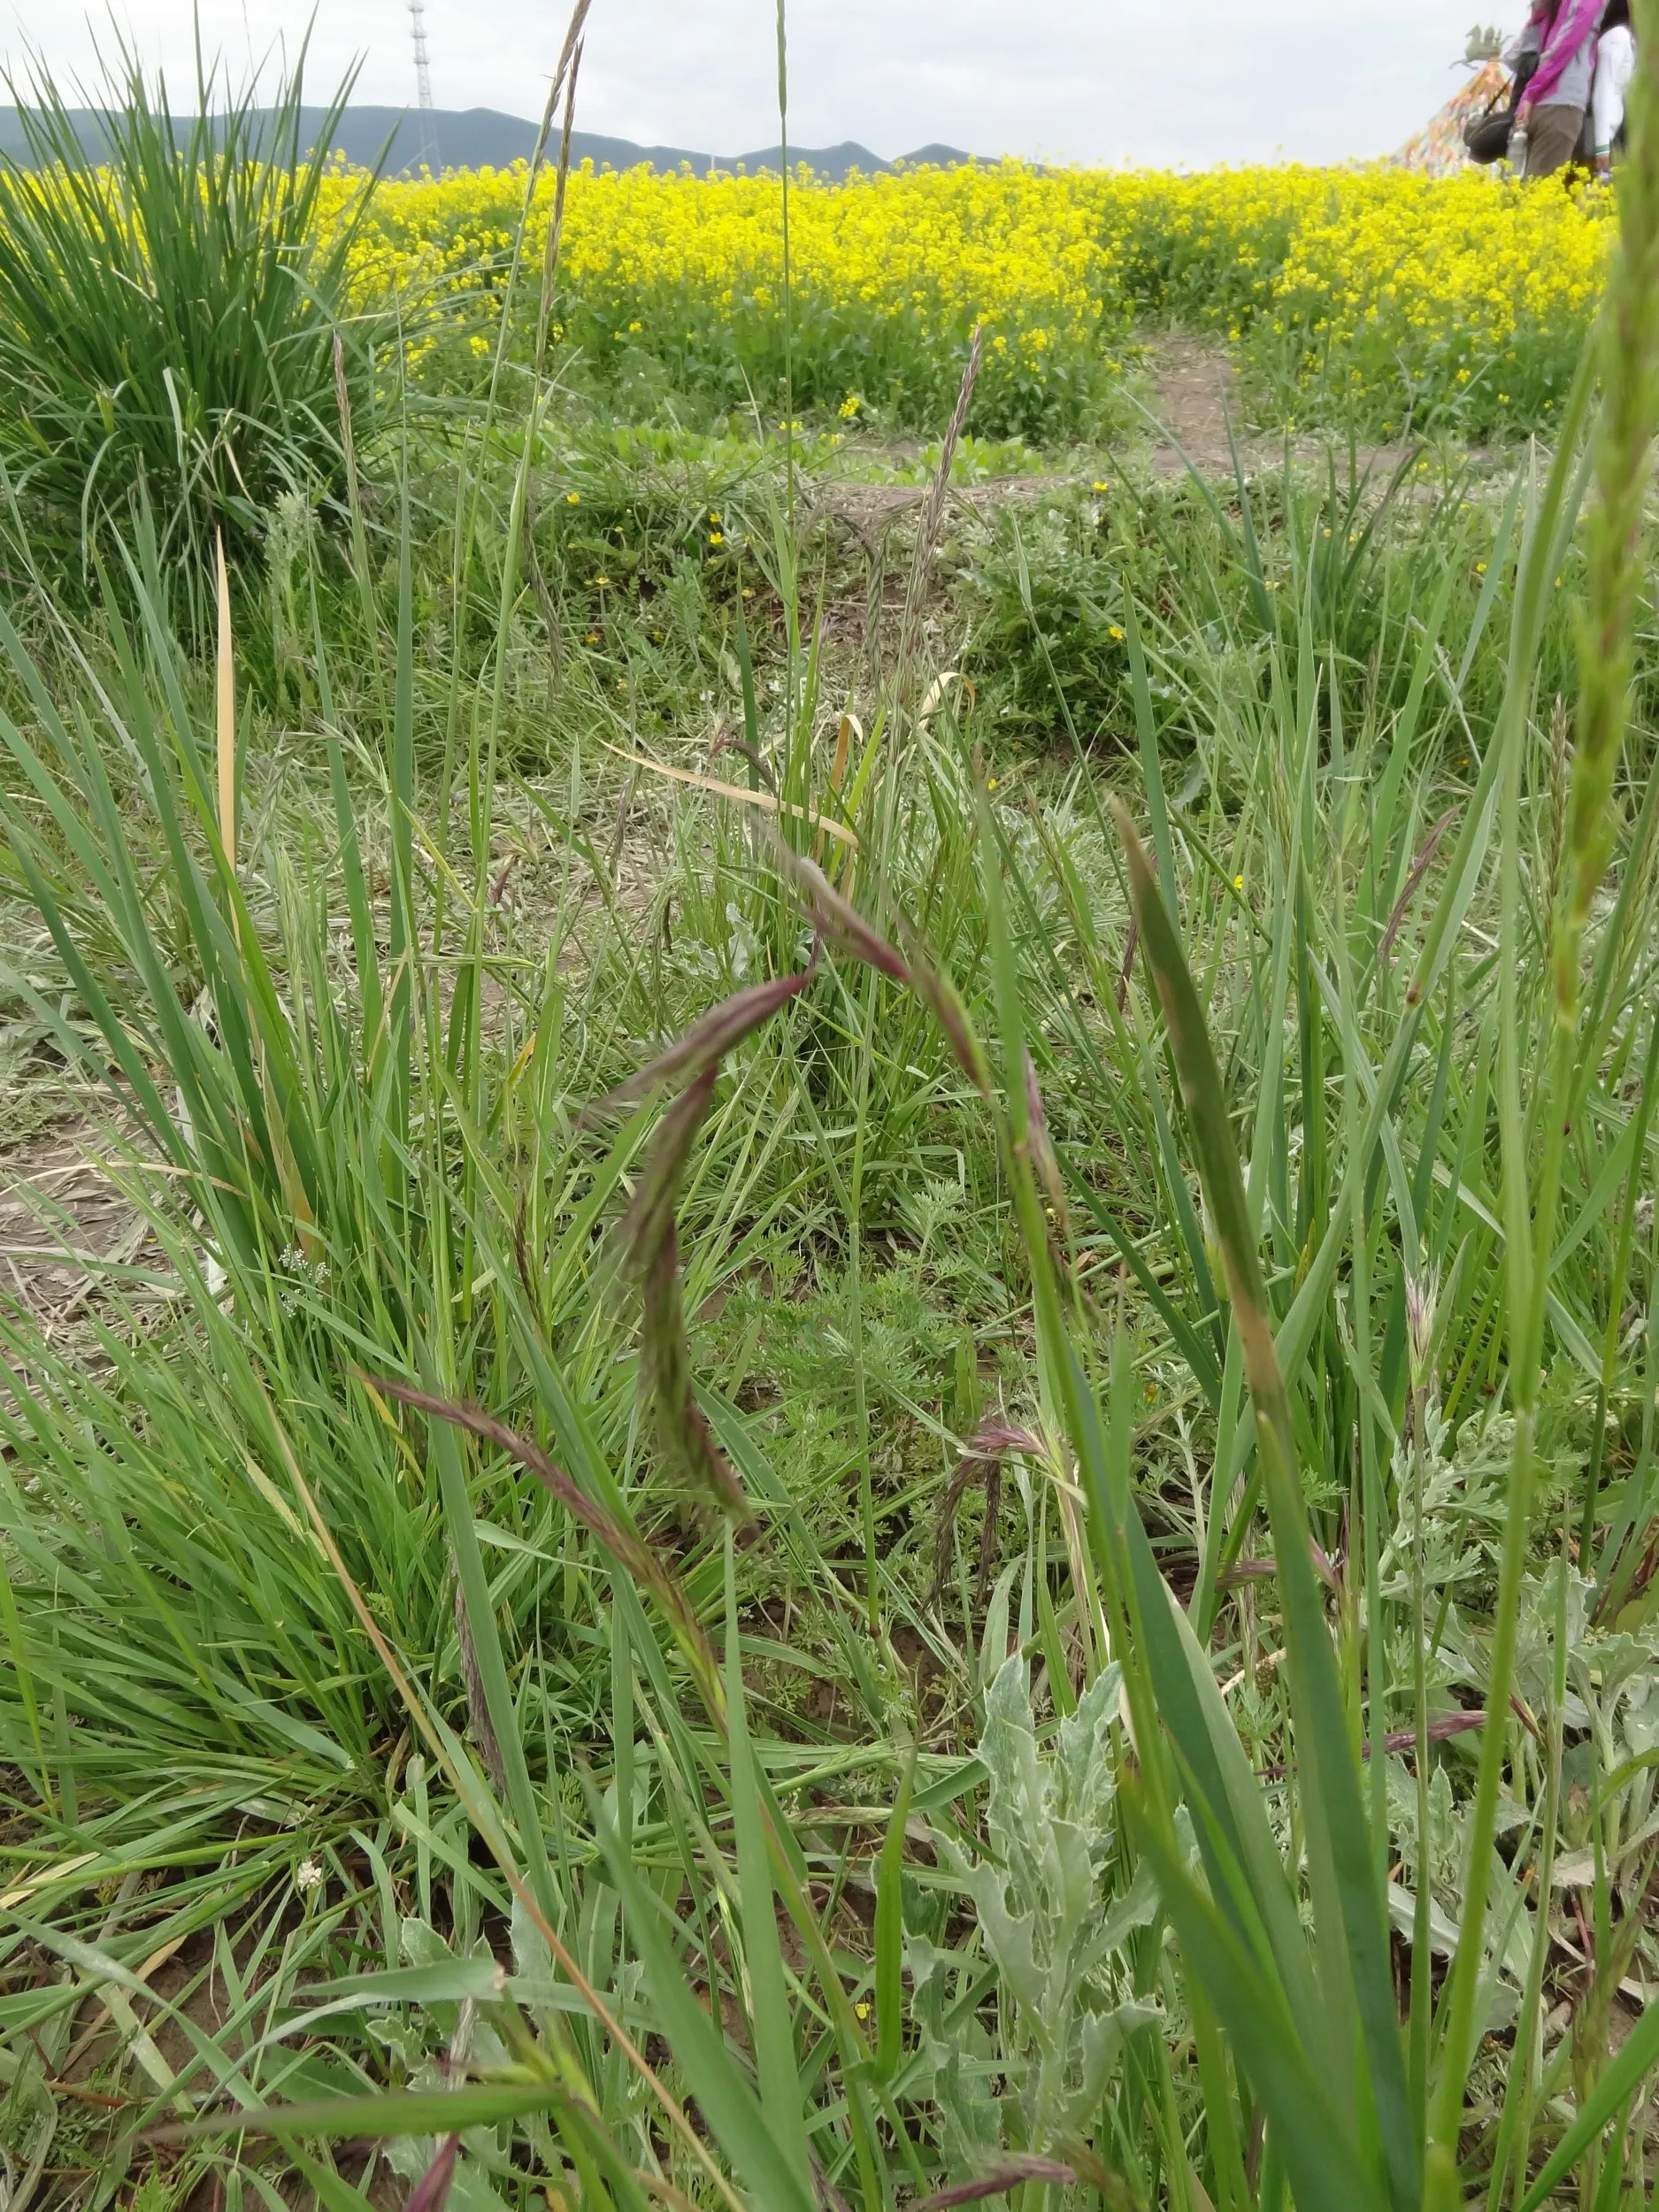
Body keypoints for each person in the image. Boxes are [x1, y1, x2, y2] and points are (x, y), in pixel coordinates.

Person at [1513, 0, 1606, 174]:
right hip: (1562, 105)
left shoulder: (1548, 7)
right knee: (1542, 194)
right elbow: (1562, 50)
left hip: (1539, 106)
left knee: (1531, 189)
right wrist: (1530, 93)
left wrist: (1527, 97)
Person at [1593, 0, 1636, 176]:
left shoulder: (1627, 39)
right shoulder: (1617, 37)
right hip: (1609, 137)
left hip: (1617, 133)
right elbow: (1604, 88)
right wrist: (1602, 146)